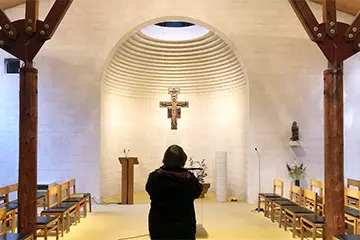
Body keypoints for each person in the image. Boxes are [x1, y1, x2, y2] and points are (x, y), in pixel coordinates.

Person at [146, 145, 203, 240]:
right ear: (183, 160)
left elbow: (149, 190)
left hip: (159, 225)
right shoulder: (189, 178)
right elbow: (197, 192)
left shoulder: (155, 176)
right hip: (184, 226)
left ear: (165, 159)